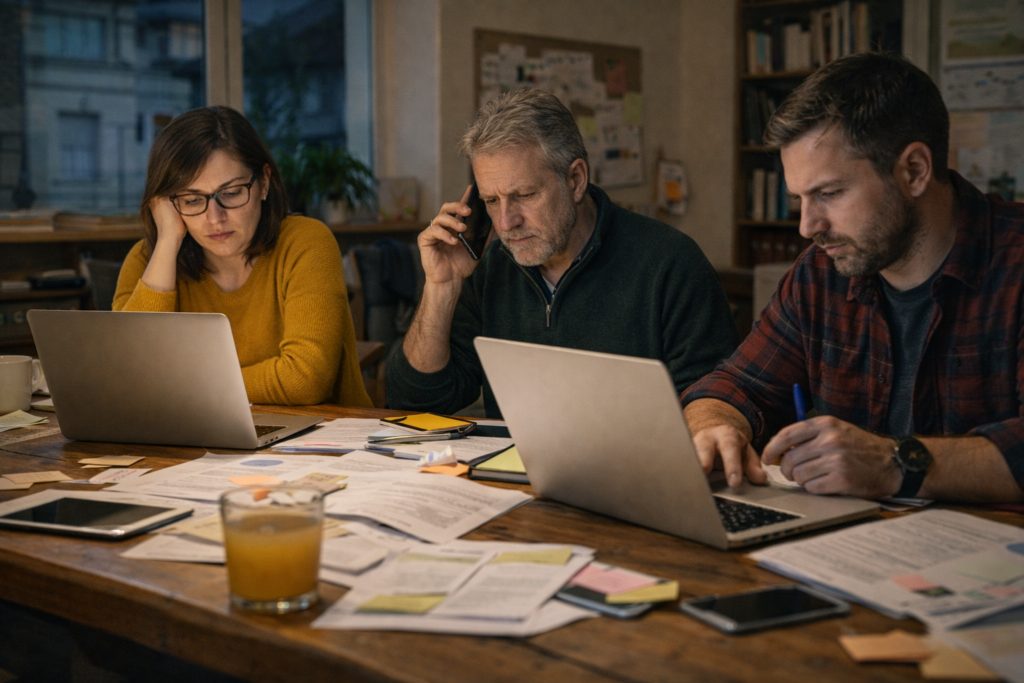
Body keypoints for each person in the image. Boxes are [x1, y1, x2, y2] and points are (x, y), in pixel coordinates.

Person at [682, 53, 1024, 503]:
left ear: (915, 170)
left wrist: (890, 462)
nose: (808, 227)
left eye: (829, 193)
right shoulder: (820, 273)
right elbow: (736, 385)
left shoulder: (1013, 264)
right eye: (799, 199)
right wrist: (714, 425)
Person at [388, 88, 737, 418]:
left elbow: (712, 410)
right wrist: (441, 287)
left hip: (635, 474)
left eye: (524, 195)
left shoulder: (671, 264)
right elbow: (416, 402)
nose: (506, 222)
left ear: (576, 180)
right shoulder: (490, 267)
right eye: (491, 201)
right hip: (515, 475)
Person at [113, 106, 371, 408]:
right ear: (166, 204)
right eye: (193, 200)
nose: (214, 217)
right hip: (195, 444)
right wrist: (169, 239)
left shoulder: (306, 242)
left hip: (323, 444)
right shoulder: (150, 261)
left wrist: (177, 386)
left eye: (232, 193)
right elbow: (128, 376)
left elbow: (304, 379)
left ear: (263, 182)